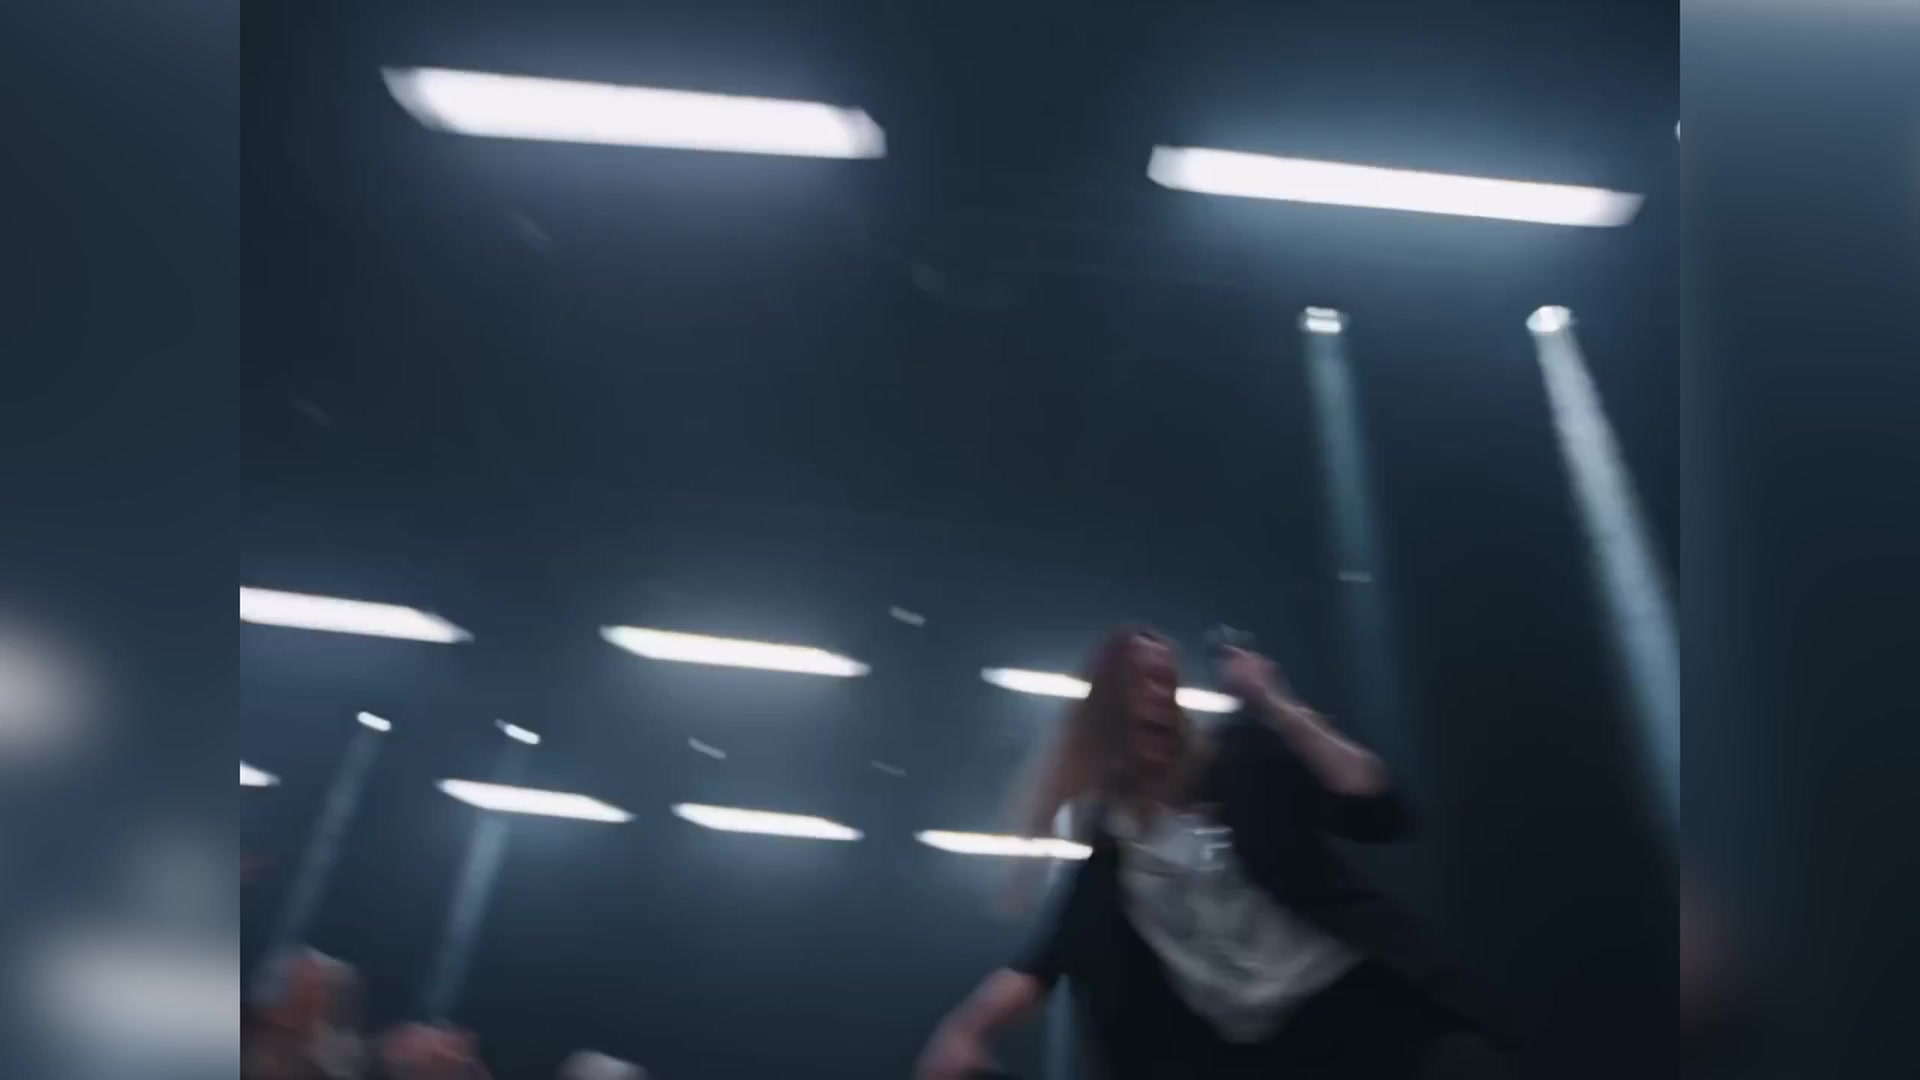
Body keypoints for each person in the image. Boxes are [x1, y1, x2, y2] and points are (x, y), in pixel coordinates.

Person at [916, 625, 1512, 1079]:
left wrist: (1273, 700)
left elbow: (1374, 804)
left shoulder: (1240, 761)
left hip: (1359, 1011)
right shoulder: (1113, 846)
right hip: (1255, 1053)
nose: (1159, 696)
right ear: (1108, 713)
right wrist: (963, 1031)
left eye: (1167, 681)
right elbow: (1045, 959)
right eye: (1141, 682)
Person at [243, 948, 367, 1080]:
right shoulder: (245, 1038)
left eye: (318, 991)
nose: (314, 1000)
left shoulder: (329, 1057)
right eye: (302, 989)